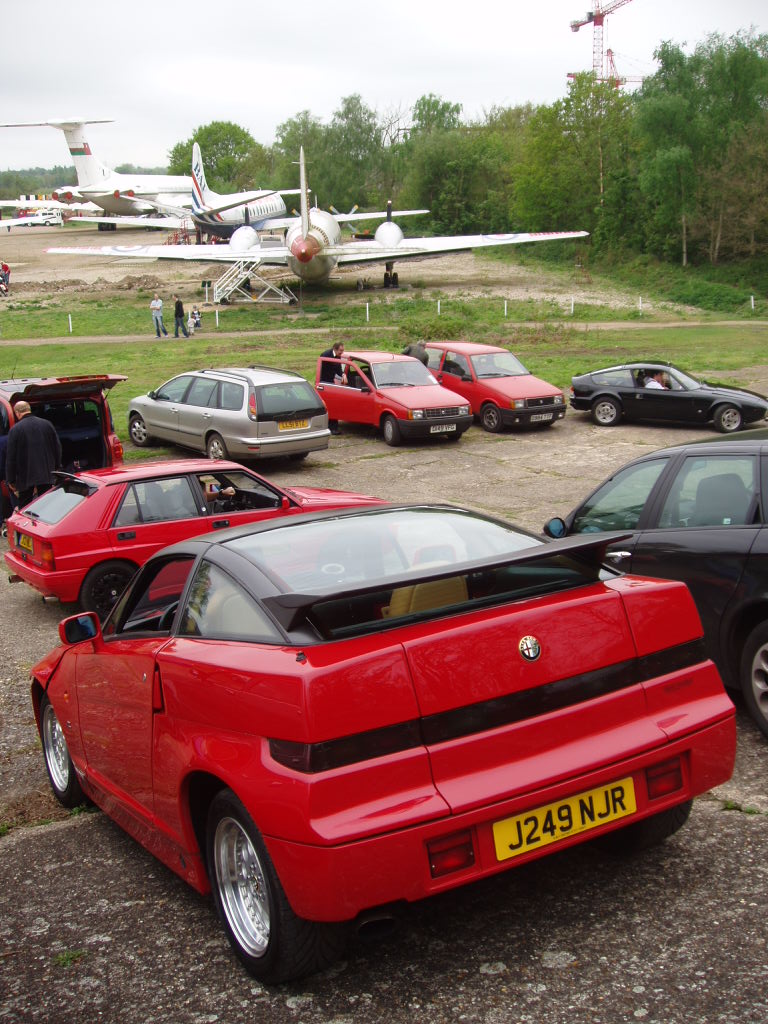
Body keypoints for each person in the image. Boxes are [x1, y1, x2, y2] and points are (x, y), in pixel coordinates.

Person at [6, 401, 62, 509]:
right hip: (46, 472)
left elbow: (11, 457)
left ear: (17, 413)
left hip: (25, 475)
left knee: (25, 505)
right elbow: (57, 448)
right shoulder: (47, 424)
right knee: (46, 504)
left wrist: (11, 480)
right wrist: (57, 468)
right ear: (29, 409)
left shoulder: (15, 430)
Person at [320, 342, 347, 434]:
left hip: (331, 381)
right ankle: (330, 427)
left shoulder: (338, 356)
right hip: (324, 382)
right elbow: (322, 370)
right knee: (329, 405)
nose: (342, 353)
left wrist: (343, 374)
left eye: (343, 350)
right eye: (340, 350)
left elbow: (338, 368)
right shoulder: (325, 355)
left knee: (333, 404)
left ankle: (333, 427)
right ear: (335, 349)